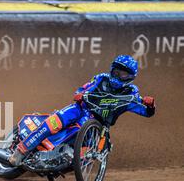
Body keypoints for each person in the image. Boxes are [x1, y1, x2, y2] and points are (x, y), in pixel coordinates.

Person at [9, 55, 156, 166]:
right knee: (55, 121)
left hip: (98, 124)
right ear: (112, 69)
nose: (119, 76)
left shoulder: (132, 91)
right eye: (117, 71)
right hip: (80, 109)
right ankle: (21, 151)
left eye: (123, 74)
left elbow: (145, 111)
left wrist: (150, 106)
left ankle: (59, 160)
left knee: (93, 150)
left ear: (130, 77)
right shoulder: (101, 78)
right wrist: (79, 94)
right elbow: (82, 89)